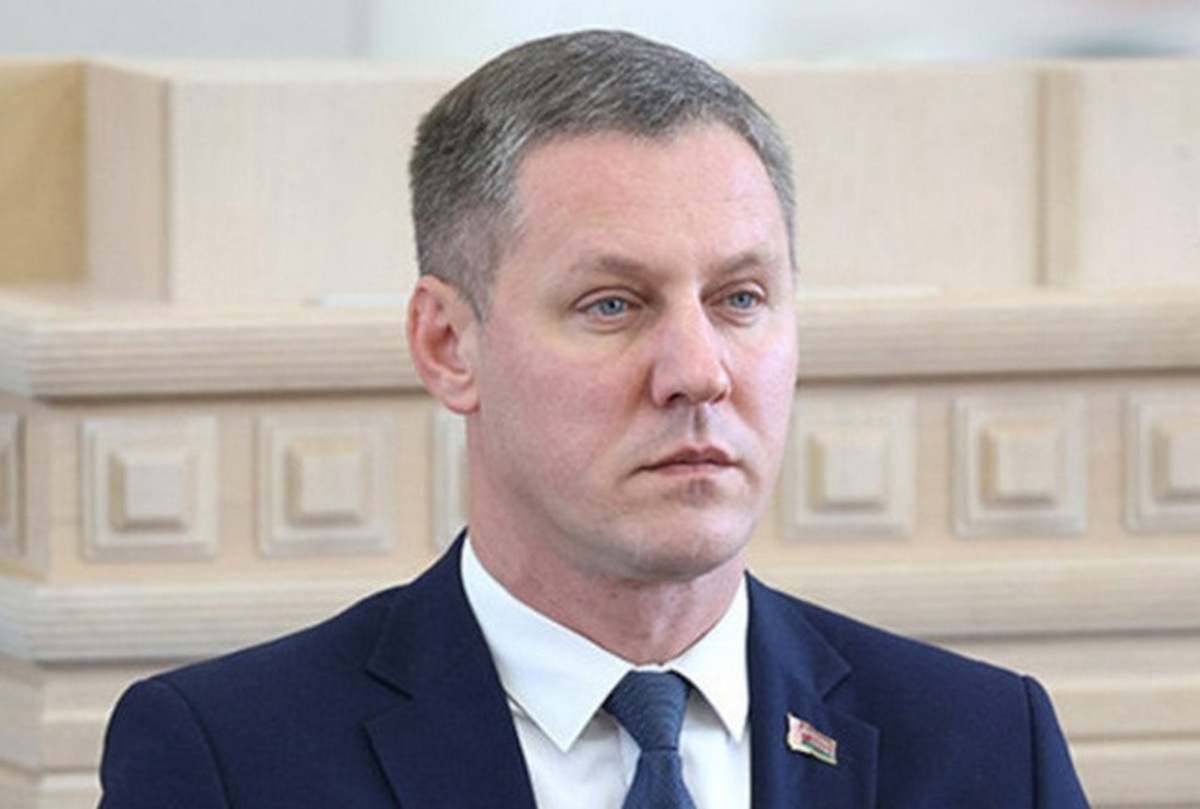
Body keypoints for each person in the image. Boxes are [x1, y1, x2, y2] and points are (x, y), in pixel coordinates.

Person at [98, 29, 1091, 808]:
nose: (698, 372)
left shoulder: (984, 744)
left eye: (740, 298)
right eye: (612, 304)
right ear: (448, 344)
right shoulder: (232, 760)